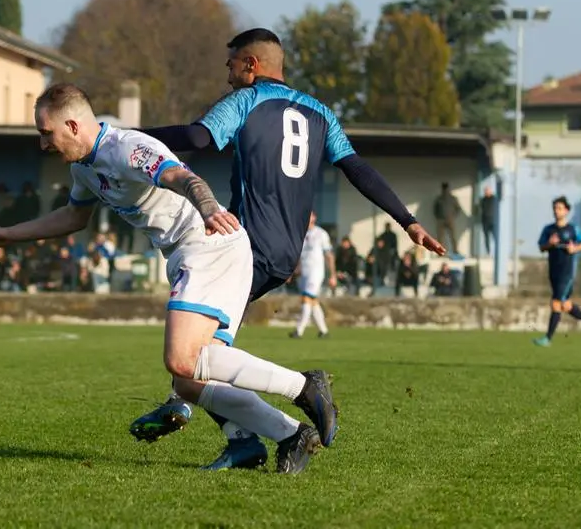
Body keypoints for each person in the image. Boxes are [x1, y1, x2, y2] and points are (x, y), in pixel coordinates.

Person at [0, 83, 336, 474]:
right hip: (193, 253)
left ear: (73, 126)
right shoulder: (84, 168)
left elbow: (184, 178)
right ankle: (285, 435)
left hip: (208, 244)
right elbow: (74, 217)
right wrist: (9, 235)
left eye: (46, 134)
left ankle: (304, 386)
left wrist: (209, 209)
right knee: (191, 382)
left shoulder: (126, 147)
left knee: (181, 359)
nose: (43, 145)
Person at [129, 28, 445, 469]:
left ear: (252, 65)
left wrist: (127, 138)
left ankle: (291, 400)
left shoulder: (246, 101)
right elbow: (356, 167)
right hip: (284, 253)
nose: (228, 72)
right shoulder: (321, 113)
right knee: (207, 354)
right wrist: (407, 221)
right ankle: (238, 438)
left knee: (197, 358)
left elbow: (199, 138)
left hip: (243, 248)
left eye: (232, 63)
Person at [533, 196, 581, 346]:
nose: (557, 211)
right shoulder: (548, 229)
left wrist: (575, 248)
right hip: (553, 271)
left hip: (567, 272)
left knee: (555, 303)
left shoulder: (573, 229)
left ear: (567, 210)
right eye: (555, 208)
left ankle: (547, 339)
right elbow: (541, 247)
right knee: (566, 305)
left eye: (560, 208)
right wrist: (549, 244)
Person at [290, 211, 334, 338]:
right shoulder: (301, 233)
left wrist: (332, 275)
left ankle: (299, 331)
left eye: (310, 215)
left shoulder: (321, 234)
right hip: (304, 272)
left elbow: (329, 255)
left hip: (316, 272)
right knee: (313, 302)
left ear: (314, 217)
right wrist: (294, 270)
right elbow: (299, 255)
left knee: (306, 299)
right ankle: (324, 331)